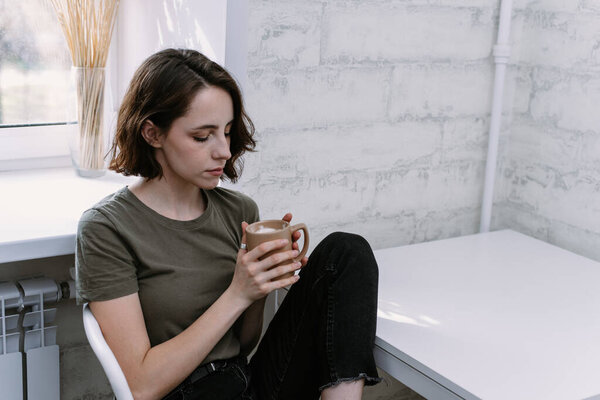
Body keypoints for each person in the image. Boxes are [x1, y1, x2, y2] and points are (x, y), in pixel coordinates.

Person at [76, 48, 382, 400]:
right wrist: (238, 292)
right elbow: (141, 386)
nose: (223, 150)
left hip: (244, 384)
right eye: (202, 137)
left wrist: (260, 286)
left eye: (226, 131)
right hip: (184, 395)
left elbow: (245, 343)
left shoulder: (239, 210)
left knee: (346, 252)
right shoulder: (107, 229)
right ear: (152, 134)